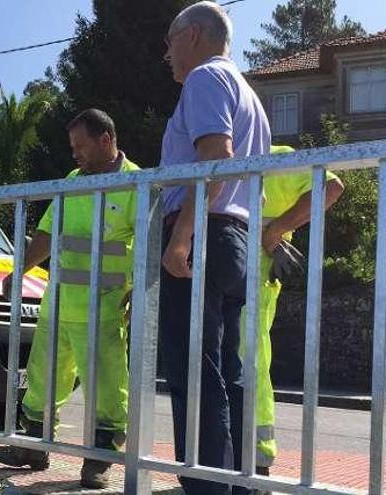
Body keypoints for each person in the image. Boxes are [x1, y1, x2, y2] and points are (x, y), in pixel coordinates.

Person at [0, 109, 139, 489]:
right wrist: (18, 271)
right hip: (59, 303)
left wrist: (140, 293)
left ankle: (100, 460)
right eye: (72, 147)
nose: (74, 154)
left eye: (81, 146)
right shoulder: (73, 181)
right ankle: (33, 448)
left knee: (107, 387)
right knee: (42, 380)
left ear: (106, 140)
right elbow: (46, 234)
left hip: (104, 307)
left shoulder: (137, 183)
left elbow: (147, 248)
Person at [158, 3, 271, 494]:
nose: (166, 54)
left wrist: (182, 234)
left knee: (193, 368)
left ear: (195, 35)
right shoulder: (251, 96)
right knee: (227, 369)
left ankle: (207, 488)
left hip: (203, 231)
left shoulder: (206, 78)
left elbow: (214, 158)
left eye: (170, 41)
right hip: (235, 237)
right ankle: (238, 484)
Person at [243, 145, 344, 484]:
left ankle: (256, 461)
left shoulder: (276, 156)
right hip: (220, 272)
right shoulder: (219, 156)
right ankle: (228, 457)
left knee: (249, 359)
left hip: (254, 276)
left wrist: (274, 231)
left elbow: (331, 187)